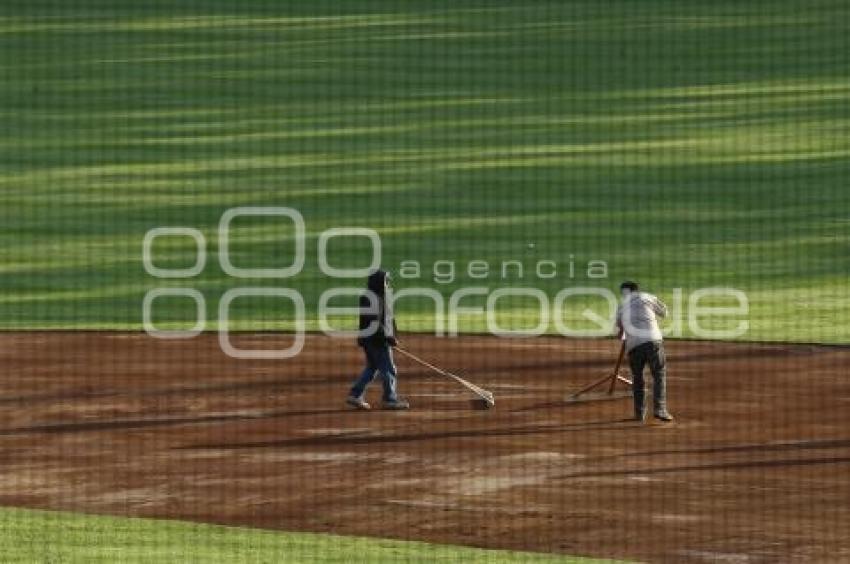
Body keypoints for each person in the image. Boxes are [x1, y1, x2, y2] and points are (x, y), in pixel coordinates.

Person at [346, 269, 410, 410]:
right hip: (376, 341)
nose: (387, 283)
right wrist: (388, 337)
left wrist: (393, 337)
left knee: (372, 368)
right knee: (389, 370)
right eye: (385, 281)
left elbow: (389, 320)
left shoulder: (380, 296)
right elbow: (374, 322)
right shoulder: (371, 298)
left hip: (373, 340)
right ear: (378, 282)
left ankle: (355, 394)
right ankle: (390, 399)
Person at [615, 281, 674, 422]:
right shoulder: (647, 297)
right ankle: (660, 410)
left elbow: (619, 332)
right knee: (658, 375)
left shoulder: (621, 306)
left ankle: (639, 414)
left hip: (633, 346)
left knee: (638, 380)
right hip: (652, 341)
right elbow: (664, 312)